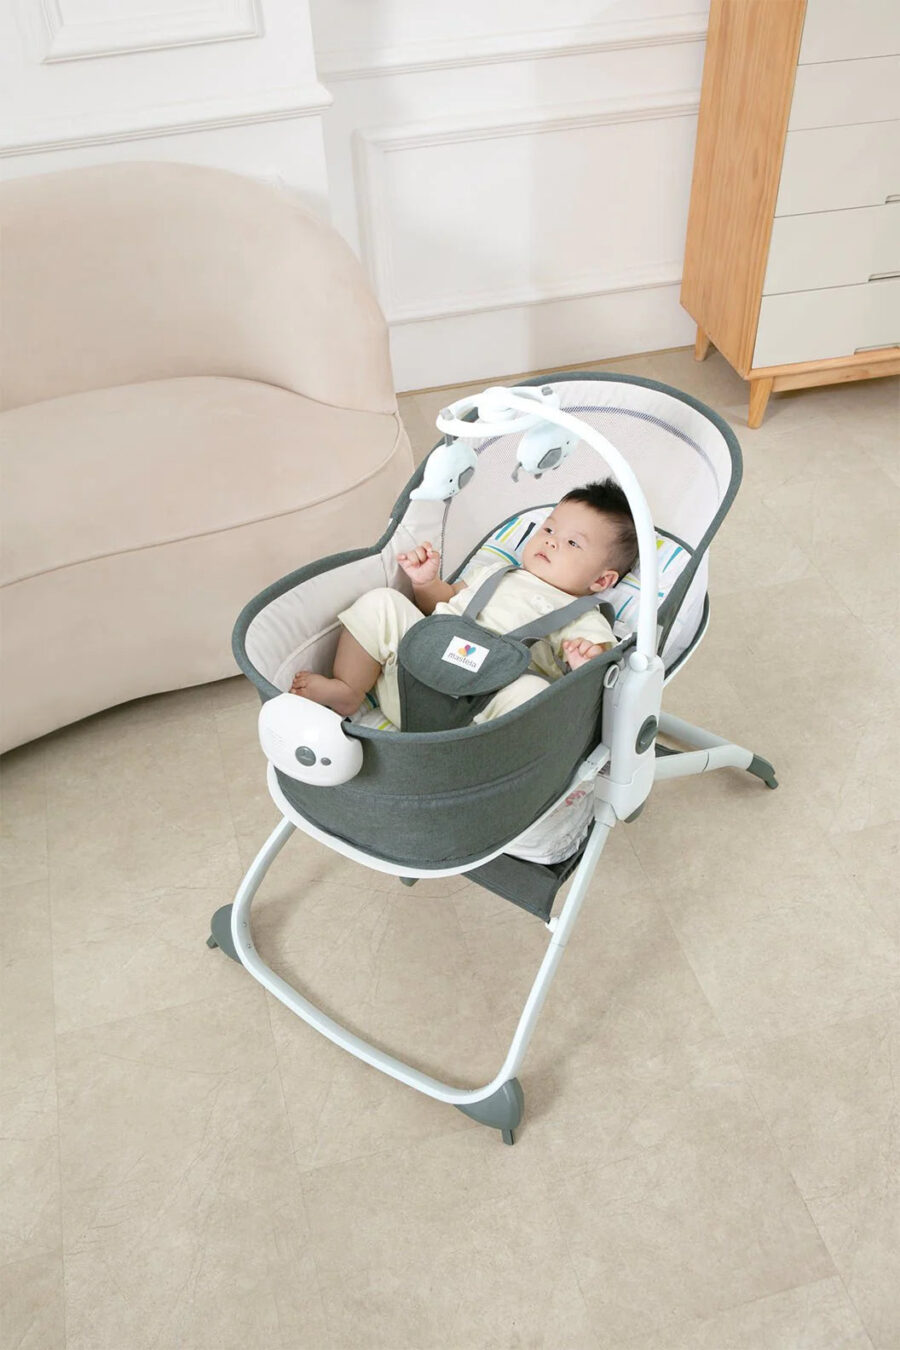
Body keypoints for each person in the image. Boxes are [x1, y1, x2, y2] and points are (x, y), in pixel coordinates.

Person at [291, 480, 637, 728]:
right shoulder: (495, 572)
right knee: (382, 603)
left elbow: (599, 681)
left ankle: (476, 762)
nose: (552, 542)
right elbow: (440, 606)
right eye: (548, 530)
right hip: (412, 678)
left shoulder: (584, 616)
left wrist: (584, 665)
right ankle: (349, 690)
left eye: (573, 543)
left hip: (478, 717)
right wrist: (426, 583)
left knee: (533, 694)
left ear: (601, 581)